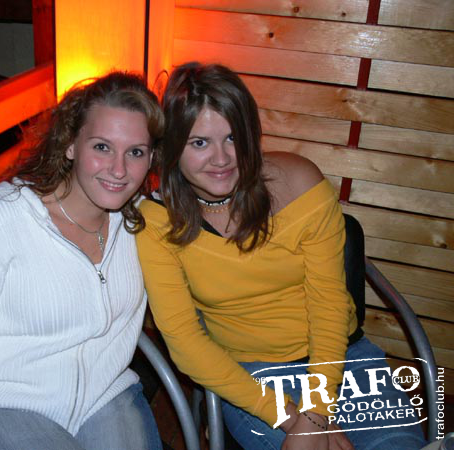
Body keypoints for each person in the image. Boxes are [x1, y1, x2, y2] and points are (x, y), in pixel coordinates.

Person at [136, 62, 427, 450]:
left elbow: (328, 305)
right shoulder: (156, 221)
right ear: (172, 148)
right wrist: (292, 420)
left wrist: (317, 410)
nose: (221, 159)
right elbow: (186, 343)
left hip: (341, 360)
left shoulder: (300, 184)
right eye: (199, 143)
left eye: (233, 137)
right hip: (251, 378)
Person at [0, 71, 164, 450]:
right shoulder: (0, 221)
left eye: (135, 152)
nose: (119, 169)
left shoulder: (143, 220)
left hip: (106, 396)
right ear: (71, 144)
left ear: (151, 157)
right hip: (11, 406)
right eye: (102, 147)